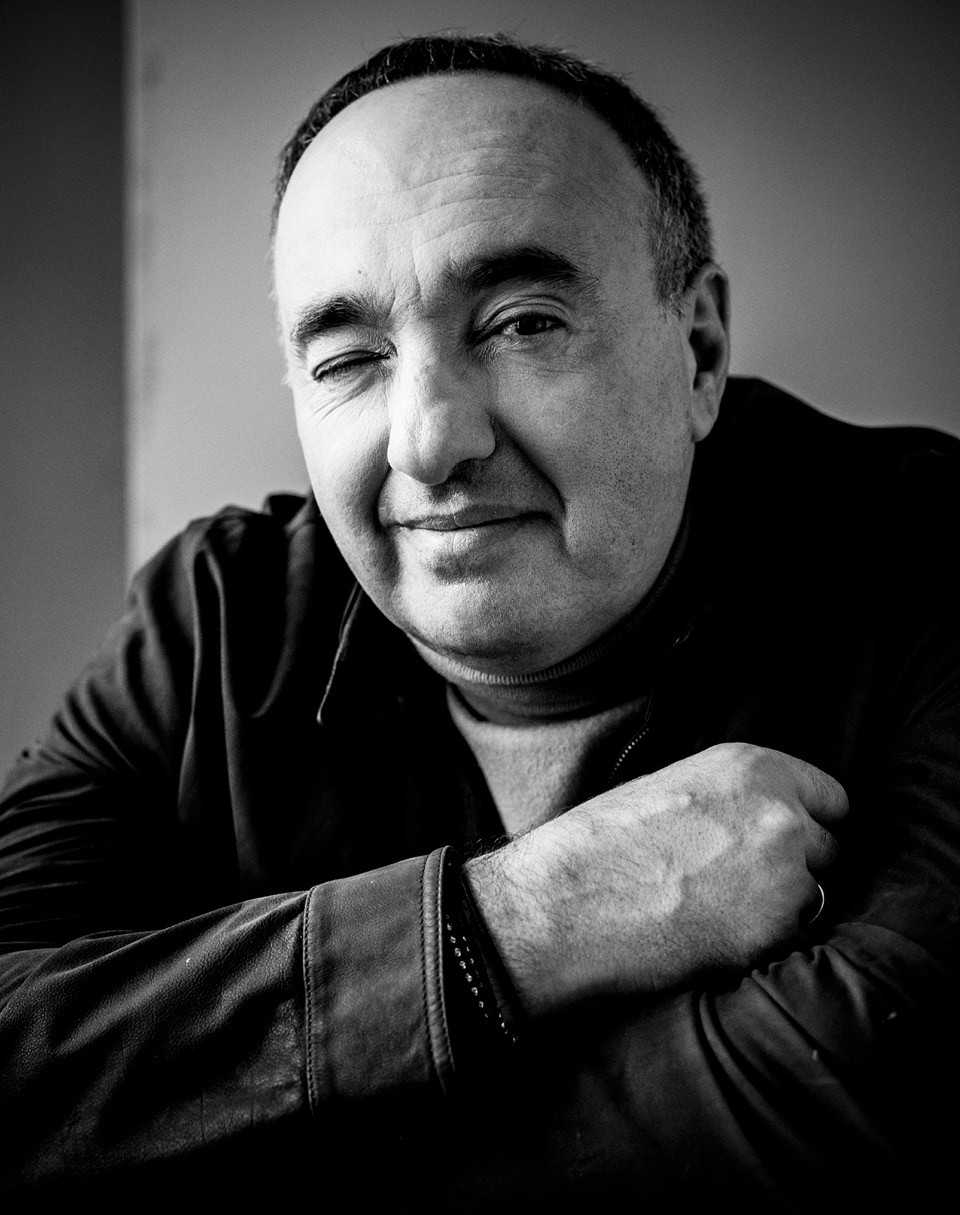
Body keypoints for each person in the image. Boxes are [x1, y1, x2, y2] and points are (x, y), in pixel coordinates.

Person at [2, 32, 958, 1211]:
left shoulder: (929, 560)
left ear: (699, 353)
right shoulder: (211, 624)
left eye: (522, 322)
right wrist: (520, 922)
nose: (430, 441)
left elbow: (881, 1093)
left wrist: (200, 1120)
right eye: (349, 358)